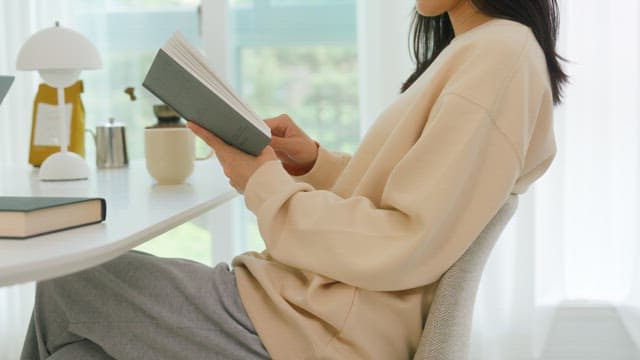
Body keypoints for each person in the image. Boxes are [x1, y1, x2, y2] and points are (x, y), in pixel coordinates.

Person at [21, 0, 567, 359]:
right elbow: (415, 197)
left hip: (321, 326)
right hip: (316, 309)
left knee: (69, 282)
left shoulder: (500, 53)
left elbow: (409, 239)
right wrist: (312, 163)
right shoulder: (480, 50)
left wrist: (264, 182)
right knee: (81, 352)